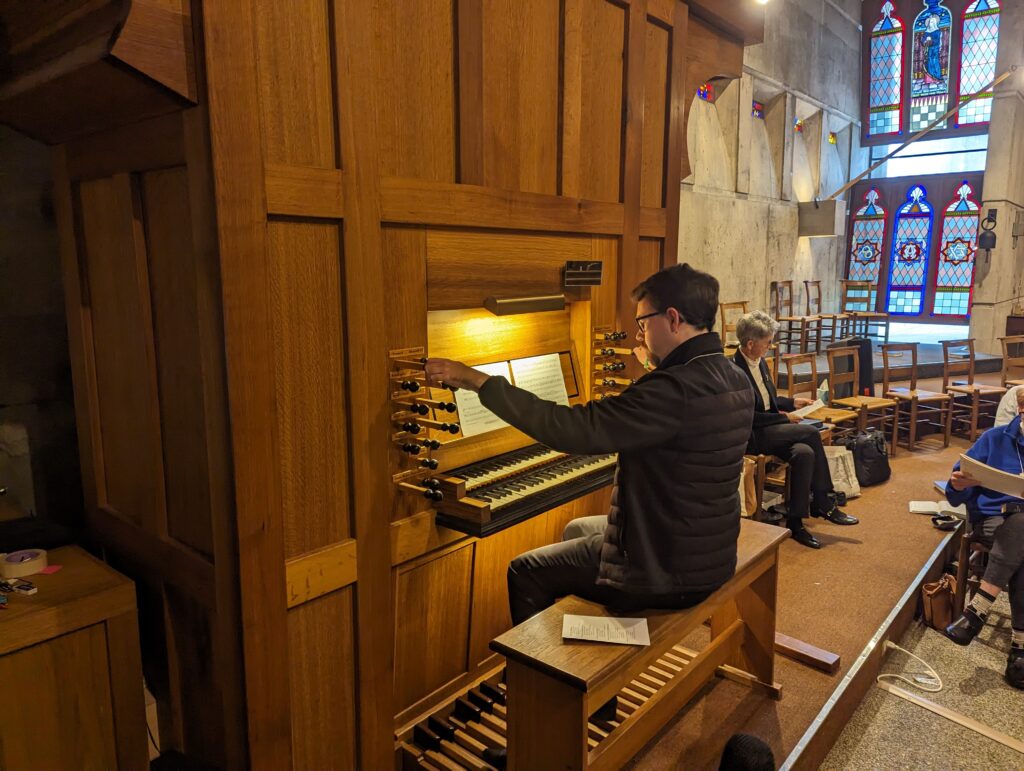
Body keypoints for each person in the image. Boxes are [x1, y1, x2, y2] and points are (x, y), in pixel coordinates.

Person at [426, 264, 753, 755]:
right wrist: (655, 374)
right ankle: (595, 695)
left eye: (642, 323)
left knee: (526, 570)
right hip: (705, 548)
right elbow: (677, 431)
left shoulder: (672, 391)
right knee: (579, 525)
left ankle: (540, 728)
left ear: (672, 318)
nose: (639, 334)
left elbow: (571, 429)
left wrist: (477, 380)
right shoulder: (728, 373)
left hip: (665, 568)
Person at [729, 311, 858, 550]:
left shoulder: (759, 362)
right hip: (753, 435)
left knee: (804, 453)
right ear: (750, 344)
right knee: (810, 433)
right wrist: (784, 418)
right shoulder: (733, 371)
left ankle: (796, 522)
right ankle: (823, 501)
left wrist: (792, 403)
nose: (770, 346)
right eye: (767, 342)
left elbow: (768, 399)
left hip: (772, 428)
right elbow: (745, 416)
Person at [943, 387, 1024, 690]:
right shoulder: (994, 439)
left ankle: (976, 613)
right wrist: (958, 483)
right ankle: (1020, 650)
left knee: (1022, 530)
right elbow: (953, 495)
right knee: (1020, 527)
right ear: (1020, 412)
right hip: (992, 520)